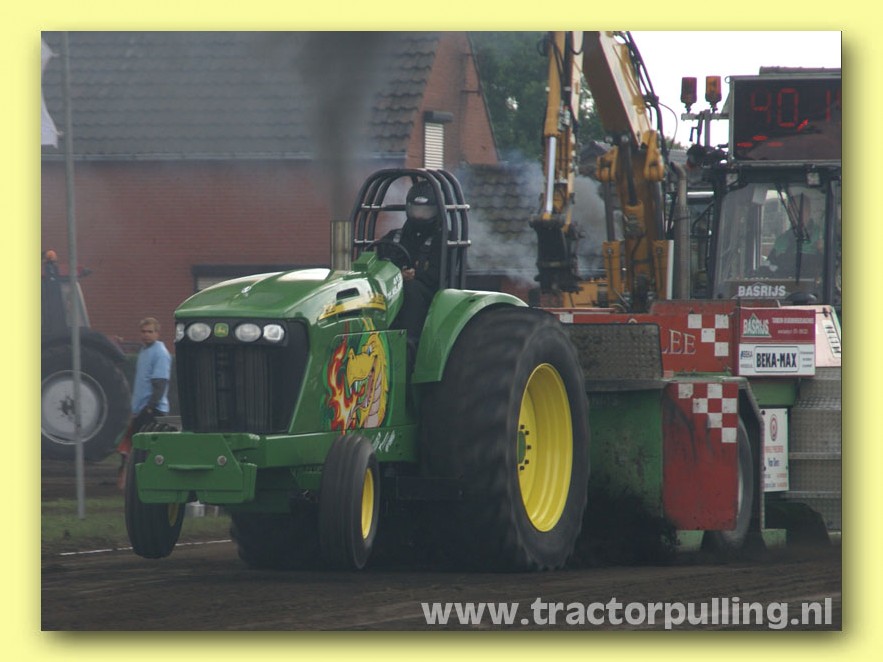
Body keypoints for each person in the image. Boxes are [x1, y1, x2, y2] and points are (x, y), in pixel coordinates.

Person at [377, 181, 444, 362]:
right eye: (416, 210)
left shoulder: (444, 240)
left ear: (436, 210)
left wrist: (415, 275)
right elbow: (377, 262)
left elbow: (439, 274)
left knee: (411, 289)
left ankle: (408, 344)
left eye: (425, 211)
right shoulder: (393, 237)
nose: (419, 216)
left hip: (429, 298)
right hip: (390, 290)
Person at [117, 317, 172, 488]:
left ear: (157, 333)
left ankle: (149, 483)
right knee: (133, 447)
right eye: (143, 331)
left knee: (146, 449)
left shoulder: (160, 353)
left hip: (152, 411)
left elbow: (160, 384)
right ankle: (133, 481)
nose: (146, 335)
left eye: (150, 331)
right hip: (139, 410)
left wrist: (149, 408)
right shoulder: (144, 351)